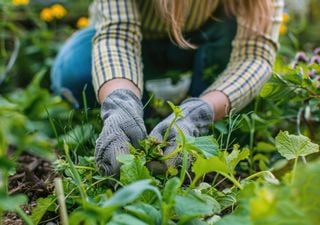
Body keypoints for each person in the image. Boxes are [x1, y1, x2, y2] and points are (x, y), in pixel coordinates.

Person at [51, 0, 284, 176]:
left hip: (200, 41)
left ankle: (195, 125)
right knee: (77, 72)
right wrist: (120, 105)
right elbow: (117, 35)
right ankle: (139, 119)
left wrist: (197, 115)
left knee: (231, 23)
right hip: (136, 40)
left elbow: (254, 57)